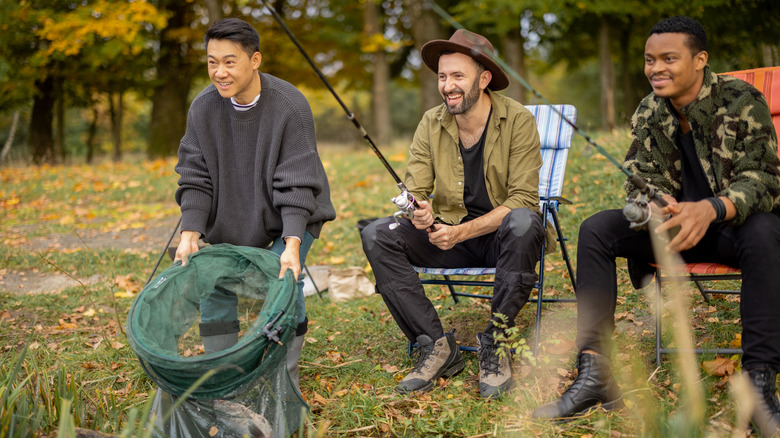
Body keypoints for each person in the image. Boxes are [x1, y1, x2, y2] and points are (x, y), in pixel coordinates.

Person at [532, 16, 780, 434]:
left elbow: (765, 181)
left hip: (733, 232)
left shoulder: (742, 99)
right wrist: (653, 205)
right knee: (597, 228)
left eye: (669, 58)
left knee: (766, 231)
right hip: (673, 235)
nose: (656, 68)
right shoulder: (649, 110)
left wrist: (712, 209)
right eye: (650, 60)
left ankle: (758, 384)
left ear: (700, 59)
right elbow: (640, 183)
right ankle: (595, 372)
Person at [361, 29, 550, 399]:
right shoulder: (432, 122)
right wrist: (419, 209)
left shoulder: (518, 120)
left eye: (458, 76)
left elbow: (524, 199)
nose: (448, 86)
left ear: (484, 79)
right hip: (448, 236)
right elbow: (415, 187)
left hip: (501, 240)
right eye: (443, 77)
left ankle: (496, 343)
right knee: (376, 233)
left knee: (525, 222)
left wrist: (461, 232)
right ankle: (434, 345)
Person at [173, 18, 336, 390]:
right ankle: (224, 372)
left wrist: (292, 245)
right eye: (212, 62)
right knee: (213, 281)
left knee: (284, 284)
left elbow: (297, 183)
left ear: (255, 60)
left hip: (290, 217)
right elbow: (195, 176)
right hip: (233, 213)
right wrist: (190, 232)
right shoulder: (202, 108)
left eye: (229, 61)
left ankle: (284, 375)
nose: (220, 72)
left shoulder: (290, 106)